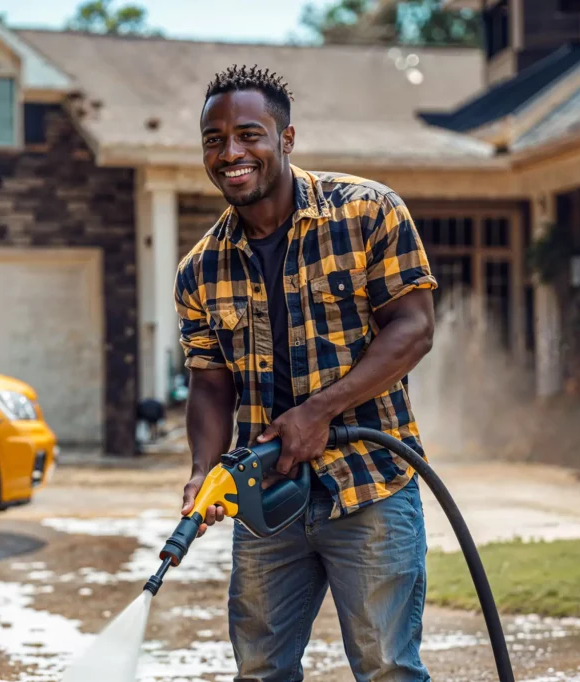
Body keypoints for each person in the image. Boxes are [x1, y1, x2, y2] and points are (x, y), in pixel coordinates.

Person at [173, 64, 438, 682]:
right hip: (266, 500)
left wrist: (320, 411)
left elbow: (413, 329)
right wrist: (200, 471)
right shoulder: (199, 270)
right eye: (214, 139)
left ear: (285, 139)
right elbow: (211, 383)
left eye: (248, 134)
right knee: (261, 670)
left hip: (369, 483)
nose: (231, 153)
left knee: (387, 669)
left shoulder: (367, 212)